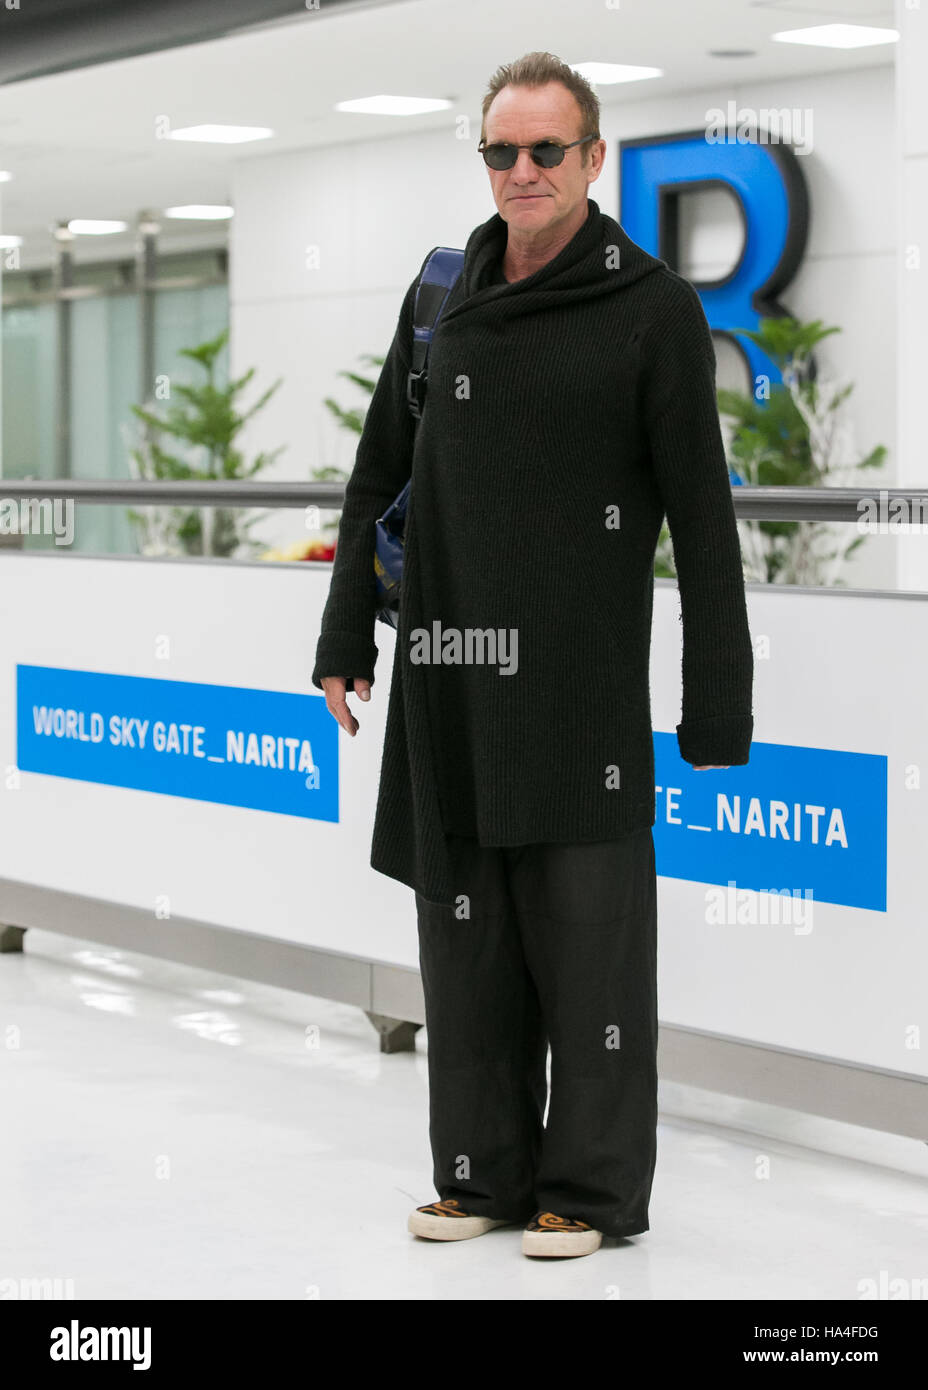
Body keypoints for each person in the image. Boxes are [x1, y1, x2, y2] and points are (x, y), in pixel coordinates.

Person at [313, 50, 753, 1260]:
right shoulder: (441, 295)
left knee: (587, 950)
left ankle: (592, 1192)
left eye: (544, 150)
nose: (520, 172)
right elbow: (376, 481)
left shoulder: (650, 307)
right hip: (449, 676)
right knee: (467, 944)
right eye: (500, 152)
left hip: (575, 685)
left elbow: (703, 525)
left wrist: (716, 703)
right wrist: (344, 634)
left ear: (592, 158)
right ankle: (478, 1175)